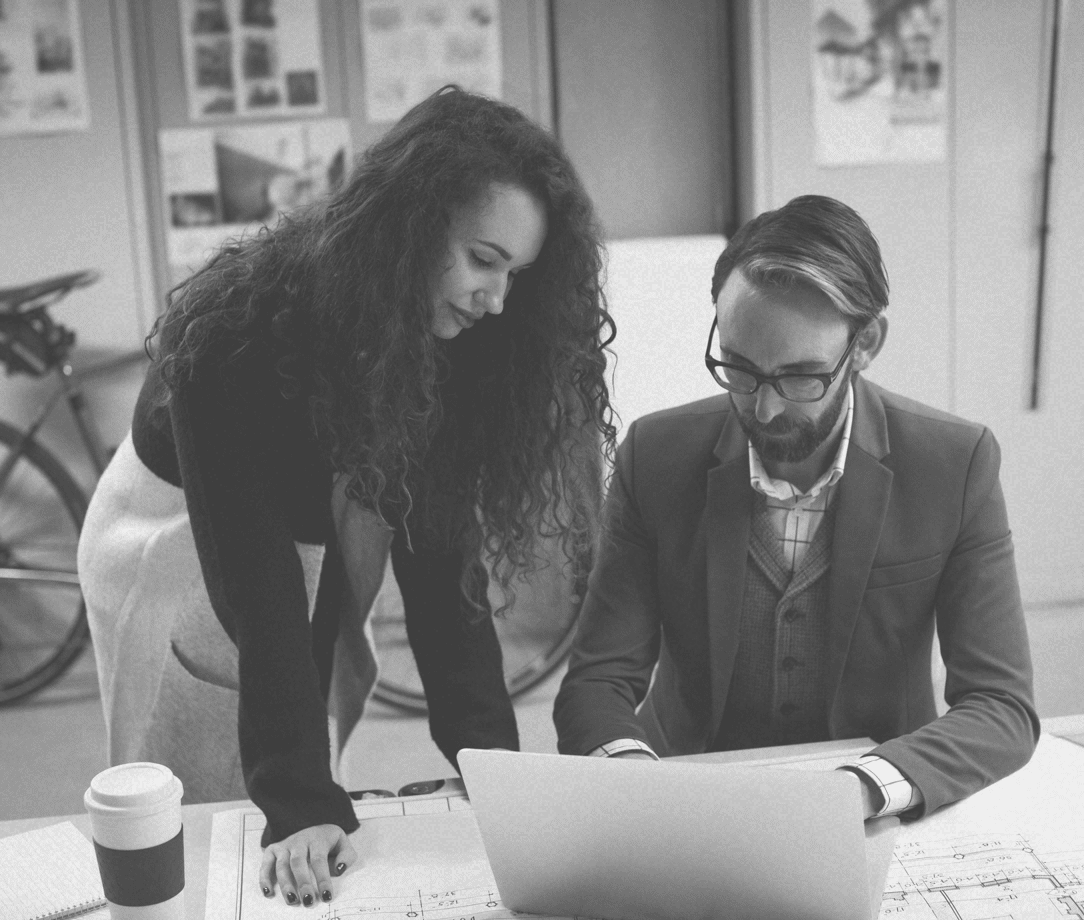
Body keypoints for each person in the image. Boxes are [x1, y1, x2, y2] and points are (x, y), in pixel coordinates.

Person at [78, 86, 615, 907]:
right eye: (483, 259)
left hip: (310, 513)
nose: (498, 300)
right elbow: (257, 590)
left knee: (305, 723)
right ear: (410, 226)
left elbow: (444, 572)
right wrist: (299, 804)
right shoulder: (229, 335)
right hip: (166, 532)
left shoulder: (455, 341)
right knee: (199, 793)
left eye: (517, 275)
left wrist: (491, 768)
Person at [553, 194, 1038, 821]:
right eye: (741, 369)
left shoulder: (954, 463)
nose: (765, 409)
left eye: (803, 377)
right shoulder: (655, 455)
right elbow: (596, 681)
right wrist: (636, 783)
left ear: (865, 344)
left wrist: (863, 788)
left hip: (876, 806)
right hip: (682, 797)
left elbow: (1002, 704)